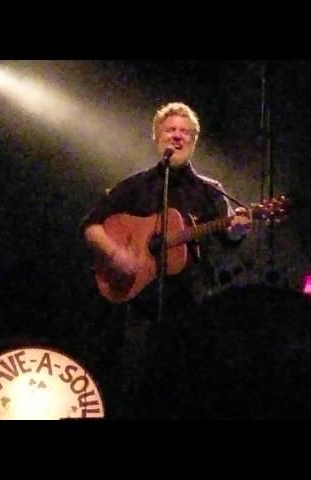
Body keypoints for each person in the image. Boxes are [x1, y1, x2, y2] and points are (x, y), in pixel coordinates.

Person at [80, 101, 252, 418]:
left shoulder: (209, 191)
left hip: (194, 301)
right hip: (141, 303)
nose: (177, 136)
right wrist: (116, 254)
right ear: (157, 137)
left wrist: (239, 228)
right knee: (138, 383)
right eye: (171, 130)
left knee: (190, 386)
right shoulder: (136, 186)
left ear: (194, 141)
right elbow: (91, 226)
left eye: (185, 132)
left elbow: (230, 238)